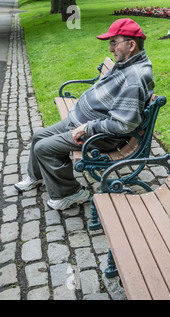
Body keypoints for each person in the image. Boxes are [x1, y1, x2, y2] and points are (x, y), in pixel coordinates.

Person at [15, 18, 155, 211]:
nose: (110, 48)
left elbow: (124, 125)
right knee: (39, 135)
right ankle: (37, 176)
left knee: (44, 148)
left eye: (114, 42)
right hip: (82, 121)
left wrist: (87, 127)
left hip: (103, 136)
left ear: (131, 44)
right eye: (110, 43)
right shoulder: (127, 62)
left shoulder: (134, 77)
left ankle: (71, 193)